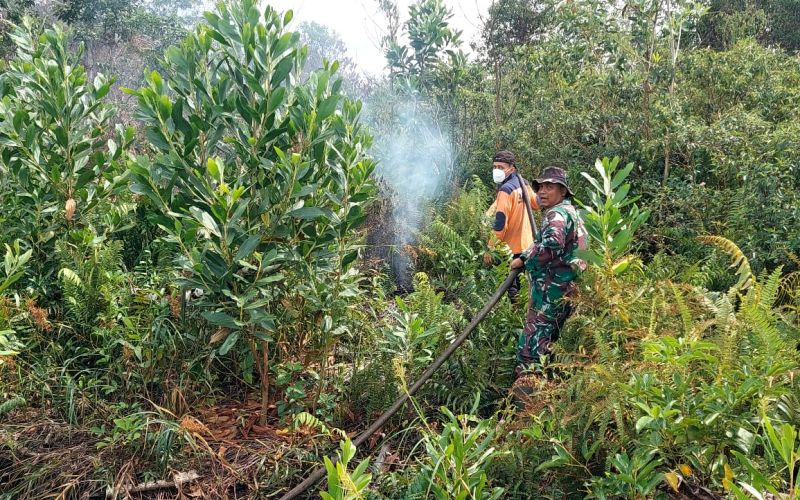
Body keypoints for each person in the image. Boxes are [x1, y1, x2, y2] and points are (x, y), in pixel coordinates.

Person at [510, 166, 586, 381]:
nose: (542, 192)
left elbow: (552, 246)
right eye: (540, 187)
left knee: (532, 347)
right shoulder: (573, 213)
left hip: (549, 294)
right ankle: (548, 391)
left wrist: (525, 260)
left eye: (549, 187)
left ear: (562, 191)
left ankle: (525, 398)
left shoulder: (557, 215)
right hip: (566, 291)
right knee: (551, 344)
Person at [484, 150, 538, 303]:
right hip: (528, 246)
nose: (497, 171)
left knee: (512, 287)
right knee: (524, 285)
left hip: (510, 249)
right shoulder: (522, 184)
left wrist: (490, 248)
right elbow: (537, 203)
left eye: (501, 167)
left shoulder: (505, 190)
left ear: (511, 169)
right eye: (495, 167)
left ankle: (513, 317)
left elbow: (500, 224)